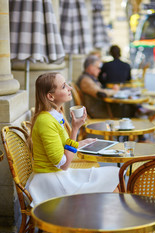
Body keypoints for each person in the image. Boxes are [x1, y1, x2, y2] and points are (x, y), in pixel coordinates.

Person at [26, 72, 119, 207]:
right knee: (113, 185)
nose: (69, 88)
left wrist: (80, 144)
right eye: (64, 86)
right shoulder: (46, 121)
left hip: (56, 175)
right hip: (50, 182)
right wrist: (75, 129)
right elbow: (63, 164)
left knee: (113, 181)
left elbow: (61, 148)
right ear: (50, 96)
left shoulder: (53, 116)